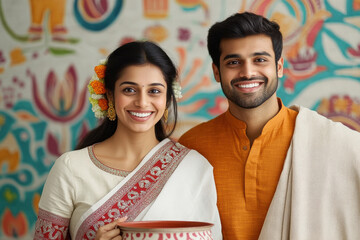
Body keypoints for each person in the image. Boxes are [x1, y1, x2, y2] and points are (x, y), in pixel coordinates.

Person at [178, 12, 360, 240]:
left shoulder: (334, 144)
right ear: (217, 72)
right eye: (233, 62)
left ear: (279, 67)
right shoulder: (192, 146)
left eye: (260, 60)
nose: (247, 72)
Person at [34, 41, 222, 240]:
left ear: (167, 99)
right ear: (110, 94)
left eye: (154, 91)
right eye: (129, 90)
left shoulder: (193, 167)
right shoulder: (70, 168)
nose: (142, 102)